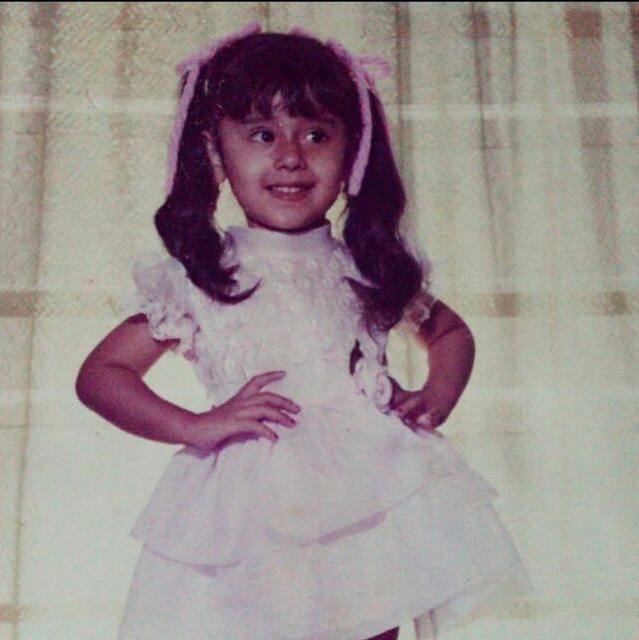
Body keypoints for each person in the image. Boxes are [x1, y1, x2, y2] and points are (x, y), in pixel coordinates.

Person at [75, 23, 532, 640]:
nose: (290, 156)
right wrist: (194, 426)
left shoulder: (364, 269)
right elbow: (103, 375)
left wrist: (435, 397)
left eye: (316, 134)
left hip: (365, 491)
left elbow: (450, 334)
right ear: (215, 152)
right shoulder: (201, 277)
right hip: (256, 508)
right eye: (262, 134)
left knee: (370, 623)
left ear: (354, 151)